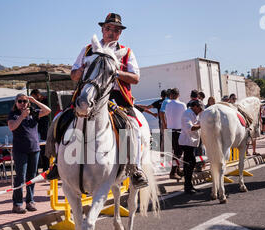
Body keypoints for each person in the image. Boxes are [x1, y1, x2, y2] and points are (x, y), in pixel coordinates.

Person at [46, 13, 148, 189]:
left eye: (116, 30)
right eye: (108, 28)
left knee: (133, 127)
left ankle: (134, 168)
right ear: (102, 29)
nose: (111, 32)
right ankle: (56, 164)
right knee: (59, 120)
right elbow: (73, 74)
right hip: (90, 93)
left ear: (120, 33)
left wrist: (115, 72)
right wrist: (83, 70)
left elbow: (136, 78)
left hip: (118, 97)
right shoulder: (87, 50)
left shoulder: (127, 52)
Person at [8, 93, 51, 214]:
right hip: (20, 150)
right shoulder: (14, 114)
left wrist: (35, 101)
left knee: (32, 177)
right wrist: (22, 116)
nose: (22, 104)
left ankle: (30, 201)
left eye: (25, 101)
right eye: (20, 101)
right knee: (20, 177)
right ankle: (17, 204)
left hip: (34, 149)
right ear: (16, 103)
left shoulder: (33, 113)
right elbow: (12, 127)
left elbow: (48, 110)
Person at [179, 100, 202, 194]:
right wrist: (202, 124)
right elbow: (190, 128)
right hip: (186, 142)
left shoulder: (194, 114)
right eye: (199, 108)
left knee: (191, 164)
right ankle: (187, 187)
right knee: (189, 164)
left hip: (191, 142)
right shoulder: (187, 114)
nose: (200, 111)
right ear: (195, 106)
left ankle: (189, 185)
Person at [164, 88, 187, 180]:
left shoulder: (167, 105)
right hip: (178, 131)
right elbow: (185, 117)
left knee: (174, 152)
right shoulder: (182, 105)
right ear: (178, 95)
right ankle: (173, 172)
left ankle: (177, 170)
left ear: (171, 95)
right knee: (178, 154)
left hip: (170, 130)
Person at [30, 89, 50, 172]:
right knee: (40, 149)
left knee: (44, 149)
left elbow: (47, 111)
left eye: (33, 96)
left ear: (37, 94)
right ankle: (39, 168)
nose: (33, 98)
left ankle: (46, 168)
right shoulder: (34, 105)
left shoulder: (45, 101)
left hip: (44, 128)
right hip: (37, 128)